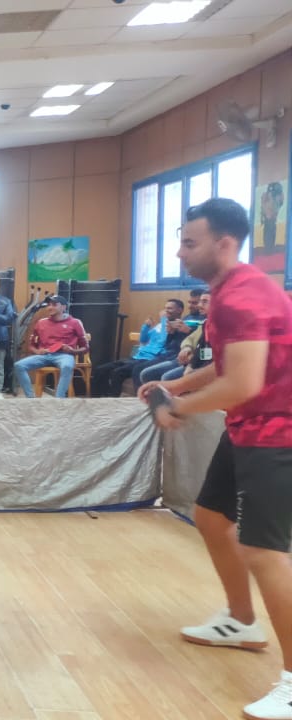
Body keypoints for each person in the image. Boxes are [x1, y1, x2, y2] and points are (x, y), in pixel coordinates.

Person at [139, 197, 292, 720]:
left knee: (264, 551)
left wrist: (176, 407)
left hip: (278, 432)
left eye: (189, 243)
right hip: (250, 424)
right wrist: (176, 384)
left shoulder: (241, 297)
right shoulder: (228, 290)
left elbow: (242, 383)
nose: (180, 253)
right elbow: (232, 366)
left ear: (224, 243)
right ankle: (242, 621)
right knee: (210, 517)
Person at [92, 299, 189, 397]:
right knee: (101, 369)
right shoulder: (159, 326)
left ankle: (113, 399)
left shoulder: (177, 327)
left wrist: (164, 321)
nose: (166, 310)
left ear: (179, 310)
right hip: (137, 356)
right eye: (165, 308)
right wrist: (146, 326)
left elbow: (163, 341)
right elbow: (143, 339)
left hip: (149, 359)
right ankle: (98, 398)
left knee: (117, 373)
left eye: (170, 308)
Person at [12, 296, 89, 398]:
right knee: (19, 366)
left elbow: (86, 348)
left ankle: (58, 399)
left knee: (67, 366)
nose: (50, 307)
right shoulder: (41, 323)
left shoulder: (75, 322)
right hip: (45, 355)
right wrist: (38, 351)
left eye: (54, 305)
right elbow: (31, 346)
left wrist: (73, 351)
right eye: (48, 305)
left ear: (63, 307)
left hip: (64, 355)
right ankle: (30, 398)